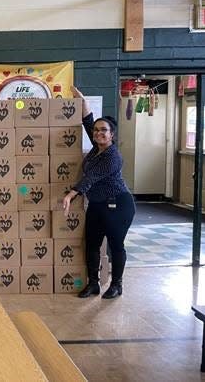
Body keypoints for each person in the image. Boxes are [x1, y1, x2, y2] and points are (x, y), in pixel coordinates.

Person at [63, 87, 136, 299]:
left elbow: (91, 177)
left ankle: (117, 285)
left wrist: (70, 195)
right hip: (96, 204)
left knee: (115, 245)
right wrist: (83, 100)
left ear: (112, 134)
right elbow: (88, 121)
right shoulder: (97, 148)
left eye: (103, 130)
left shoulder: (113, 156)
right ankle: (93, 284)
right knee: (92, 244)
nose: (98, 133)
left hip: (118, 205)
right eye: (96, 131)